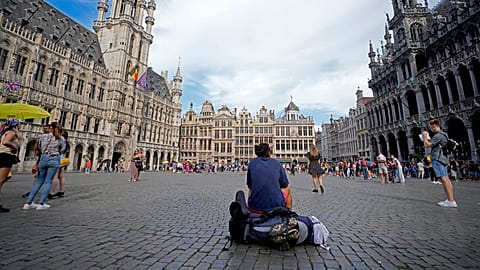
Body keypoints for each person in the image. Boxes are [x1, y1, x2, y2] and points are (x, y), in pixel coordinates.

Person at [23, 124, 65, 210]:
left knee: (39, 181)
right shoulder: (61, 138)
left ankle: (28, 203)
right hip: (54, 159)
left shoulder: (43, 136)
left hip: (43, 158)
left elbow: (38, 148)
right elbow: (62, 150)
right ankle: (41, 203)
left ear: (51, 128)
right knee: (48, 182)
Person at [246, 143, 292, 213]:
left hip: (255, 208)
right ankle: (288, 212)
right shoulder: (276, 163)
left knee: (251, 189)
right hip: (276, 207)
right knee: (288, 189)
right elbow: (284, 184)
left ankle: (252, 207)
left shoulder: (252, 163)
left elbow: (250, 186)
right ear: (268, 152)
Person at [422, 119, 457, 207]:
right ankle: (451, 199)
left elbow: (427, 145)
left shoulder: (438, 135)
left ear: (434, 126)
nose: (430, 130)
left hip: (438, 159)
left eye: (431, 128)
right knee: (446, 179)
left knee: (443, 179)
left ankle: (450, 201)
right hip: (443, 158)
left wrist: (425, 136)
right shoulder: (444, 135)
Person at [0, 119, 23, 213]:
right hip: (5, 157)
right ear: (16, 125)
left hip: (4, 156)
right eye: (19, 124)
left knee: (3, 179)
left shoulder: (5, 132)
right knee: (1, 180)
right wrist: (15, 147)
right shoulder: (11, 133)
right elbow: (6, 142)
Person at [48, 129, 68, 199]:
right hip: (62, 158)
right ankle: (61, 191)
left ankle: (52, 192)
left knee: (55, 176)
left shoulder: (60, 141)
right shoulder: (66, 142)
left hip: (57, 158)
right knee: (61, 176)